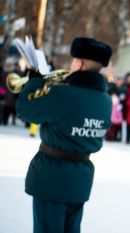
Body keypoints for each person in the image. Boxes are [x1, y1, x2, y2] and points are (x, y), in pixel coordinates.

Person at [16, 37, 112, 233]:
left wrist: (34, 81)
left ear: (80, 63)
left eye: (73, 60)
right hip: (81, 179)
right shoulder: (106, 100)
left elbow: (25, 108)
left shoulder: (64, 94)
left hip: (52, 176)